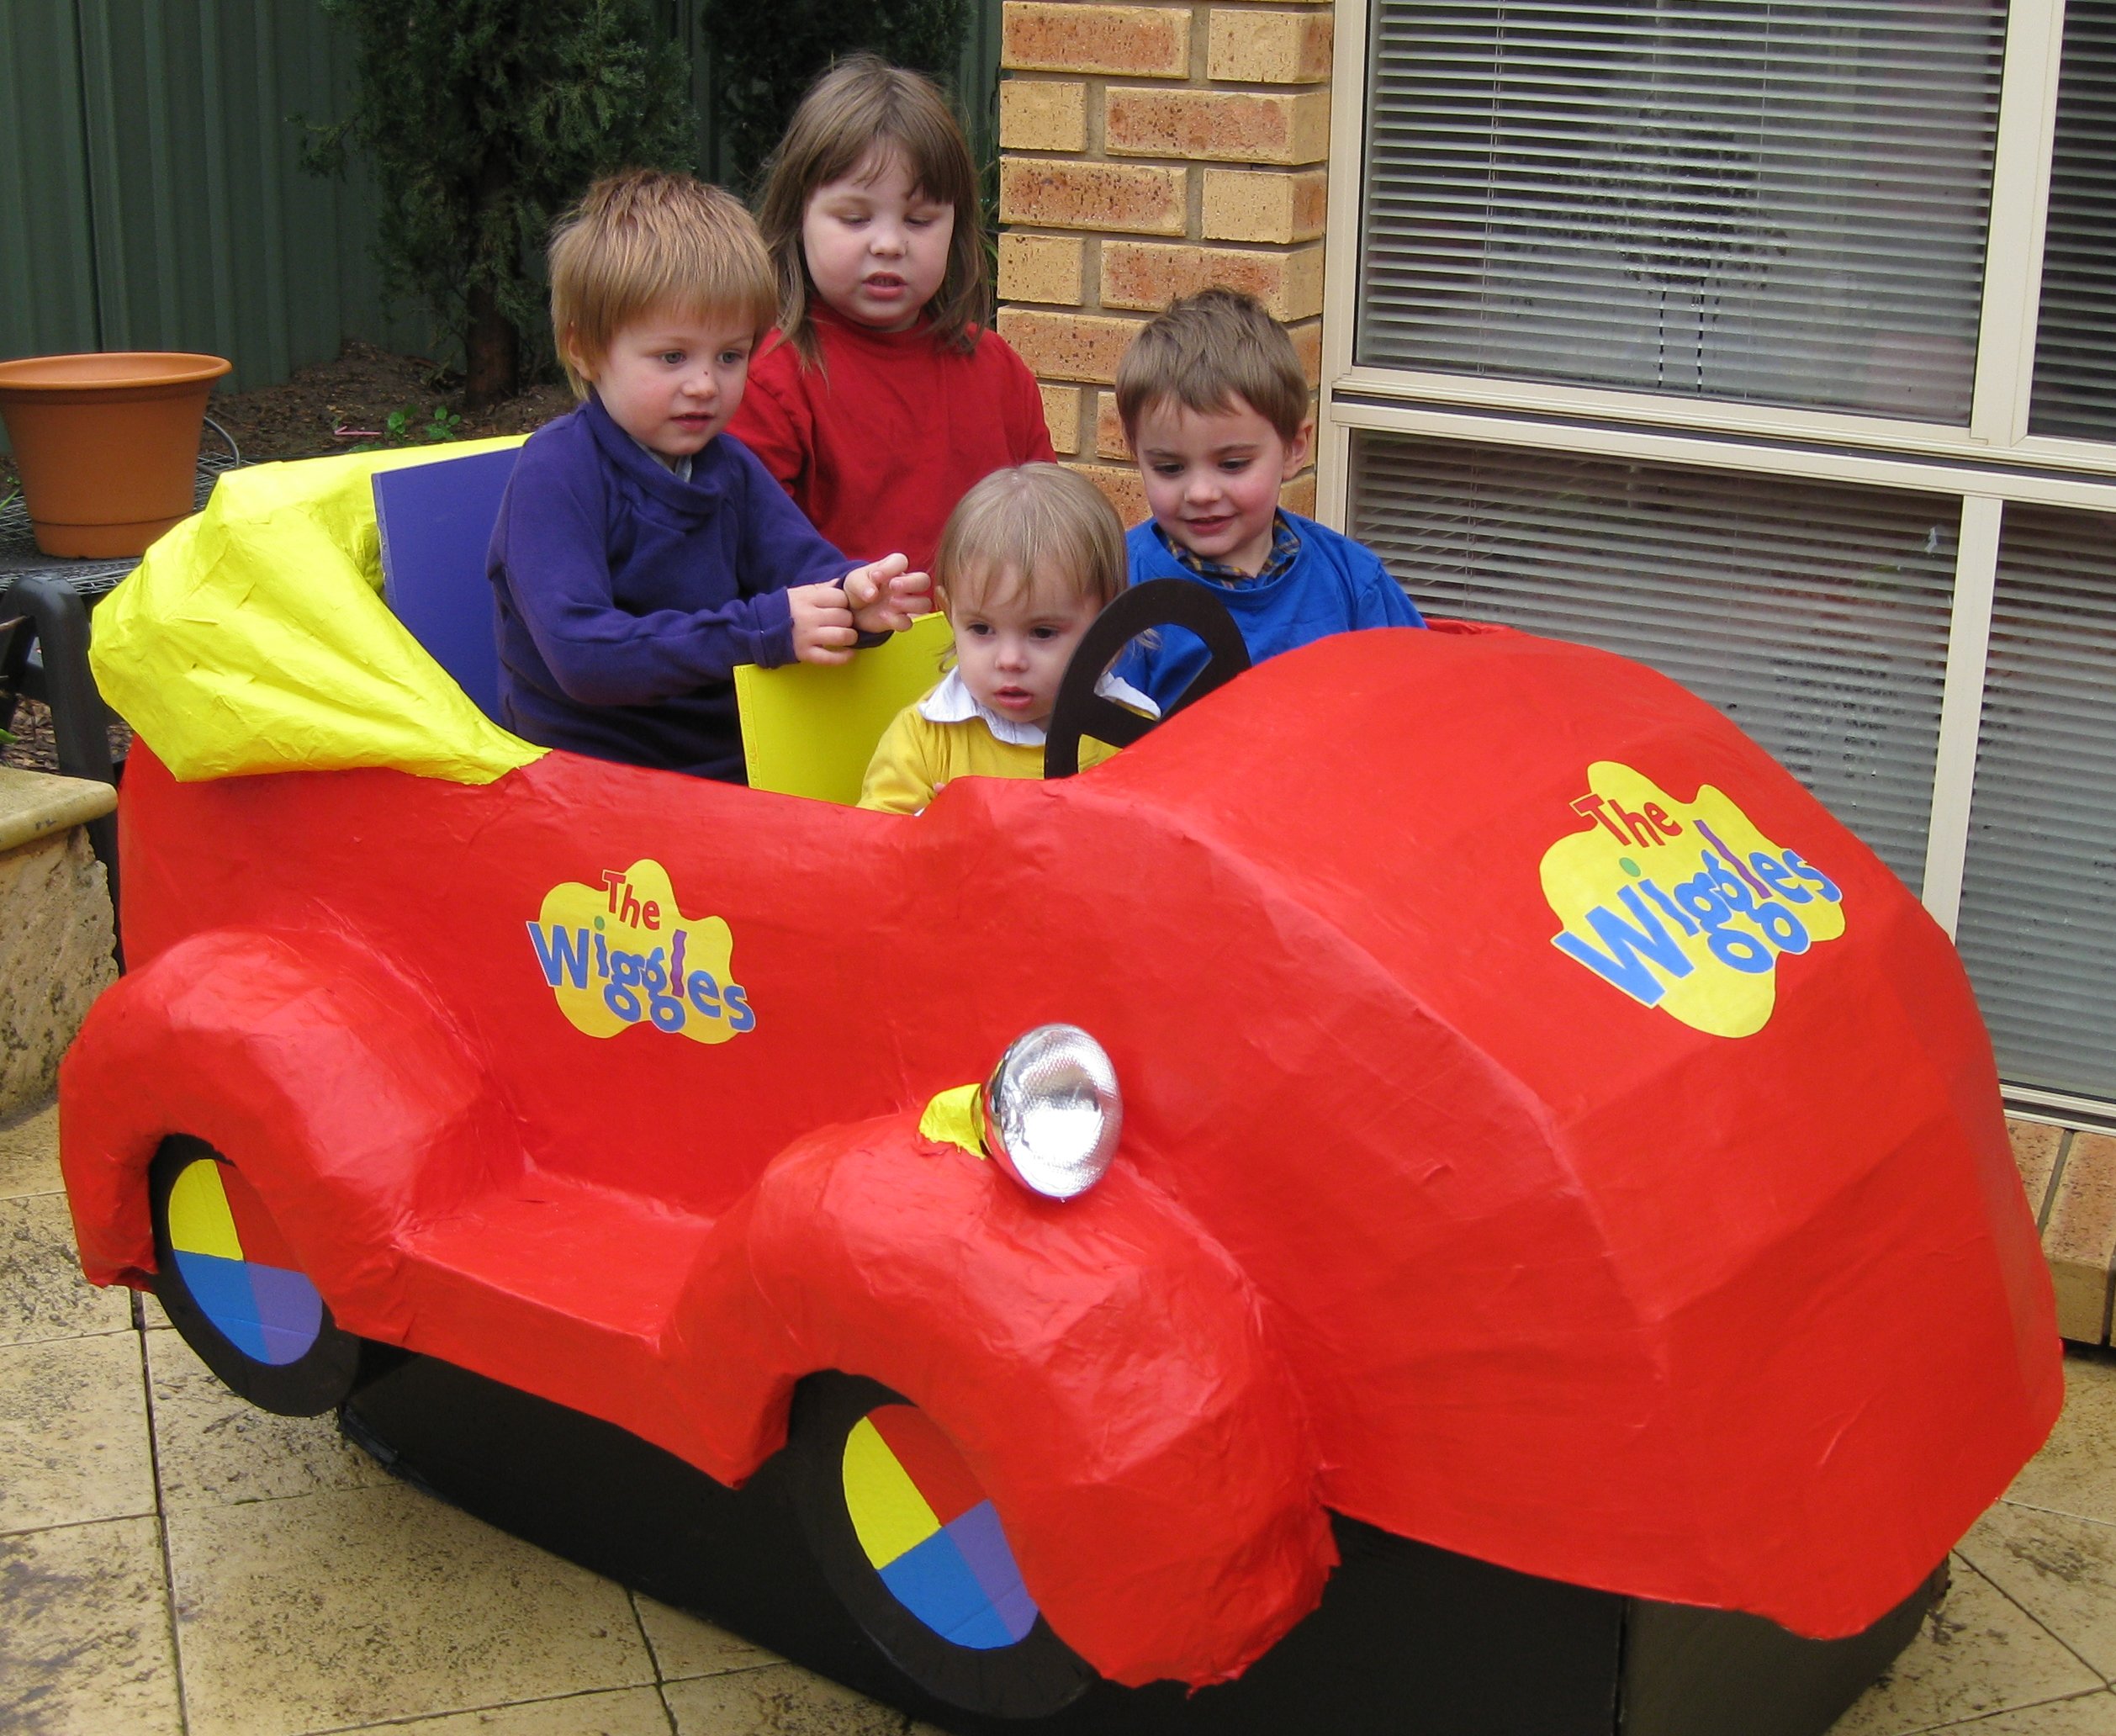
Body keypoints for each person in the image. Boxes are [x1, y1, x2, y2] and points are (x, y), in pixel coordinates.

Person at [489, 169, 928, 784]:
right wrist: (761, 631)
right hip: (585, 775)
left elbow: (803, 569)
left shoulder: (729, 467)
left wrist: (858, 599)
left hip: (729, 766)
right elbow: (583, 657)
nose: (705, 385)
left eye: (730, 356)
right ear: (584, 350)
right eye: (673, 357)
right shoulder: (558, 471)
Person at [728, 56, 1056, 574]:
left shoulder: (1000, 373)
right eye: (855, 218)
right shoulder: (766, 380)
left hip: (991, 652)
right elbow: (747, 561)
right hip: (832, 650)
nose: (888, 244)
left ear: (957, 226)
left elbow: (1049, 536)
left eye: (920, 219)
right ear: (797, 218)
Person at [1114, 288, 1425, 712]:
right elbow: (1085, 749)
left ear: (1294, 449)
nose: (1201, 493)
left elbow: (1422, 699)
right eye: (1170, 468)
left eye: (1234, 464)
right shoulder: (1118, 587)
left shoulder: (1353, 580)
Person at [860, 465, 1156, 814]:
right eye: (982, 629)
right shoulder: (925, 738)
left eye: (1042, 632)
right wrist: (934, 830)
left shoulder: (1134, 731)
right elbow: (877, 842)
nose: (1009, 660)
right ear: (951, 614)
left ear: (1108, 625)